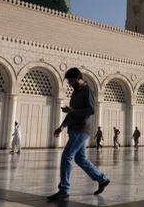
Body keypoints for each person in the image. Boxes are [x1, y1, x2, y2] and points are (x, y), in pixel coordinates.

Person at [47, 67, 110, 201]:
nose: (69, 84)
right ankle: (102, 179)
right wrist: (62, 126)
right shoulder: (75, 93)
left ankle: (64, 189)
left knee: (67, 156)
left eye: (70, 81)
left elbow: (91, 110)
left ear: (77, 78)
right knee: (80, 159)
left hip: (82, 129)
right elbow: (72, 112)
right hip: (74, 128)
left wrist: (74, 111)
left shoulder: (87, 90)